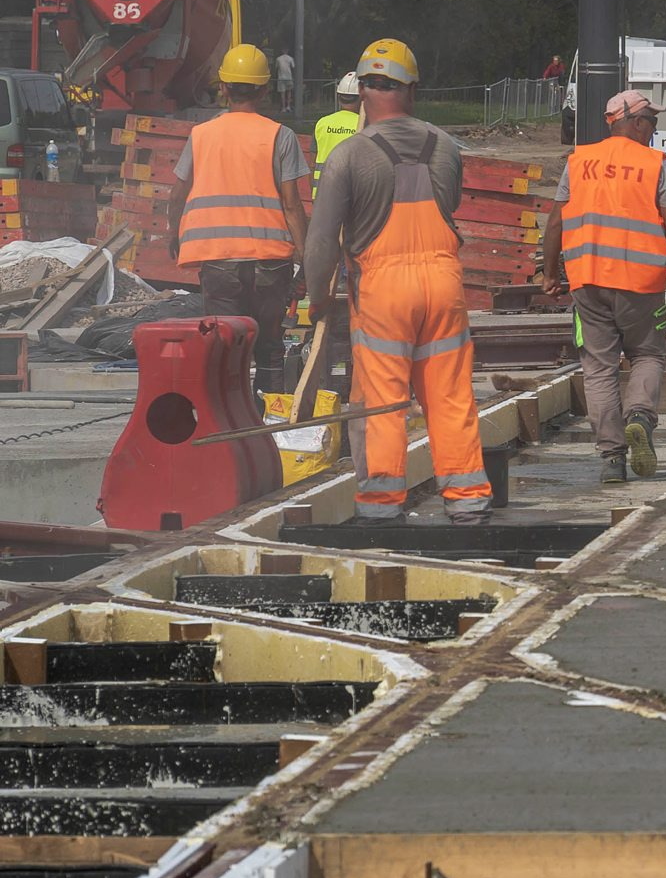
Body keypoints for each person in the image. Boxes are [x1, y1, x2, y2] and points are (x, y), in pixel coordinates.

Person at [303, 38, 488, 524]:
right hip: (443, 285)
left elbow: (321, 240)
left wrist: (316, 297)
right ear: (411, 89)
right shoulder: (445, 147)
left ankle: (382, 506)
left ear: (362, 91)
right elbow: (449, 207)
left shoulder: (349, 155)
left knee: (383, 402)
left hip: (383, 293)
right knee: (449, 395)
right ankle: (468, 497)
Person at [544, 89, 666, 484]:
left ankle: (612, 458)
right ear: (636, 122)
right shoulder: (654, 163)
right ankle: (640, 416)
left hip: (587, 281)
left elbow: (555, 223)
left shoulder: (578, 162)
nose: (655, 130)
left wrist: (548, 274)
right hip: (640, 283)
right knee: (648, 354)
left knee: (598, 367)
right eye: (653, 122)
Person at [170, 42, 309, 395]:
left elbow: (177, 194)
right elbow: (292, 205)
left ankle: (228, 426)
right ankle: (272, 426)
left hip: (218, 262)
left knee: (224, 351)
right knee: (269, 350)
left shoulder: (201, 135)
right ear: (264, 90)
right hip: (269, 263)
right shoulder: (280, 136)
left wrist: (176, 234)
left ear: (224, 87)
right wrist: (307, 259)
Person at [313, 73, 364, 168]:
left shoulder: (322, 122)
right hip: (350, 181)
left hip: (321, 180)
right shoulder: (364, 125)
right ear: (362, 98)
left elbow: (313, 161)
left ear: (339, 97)